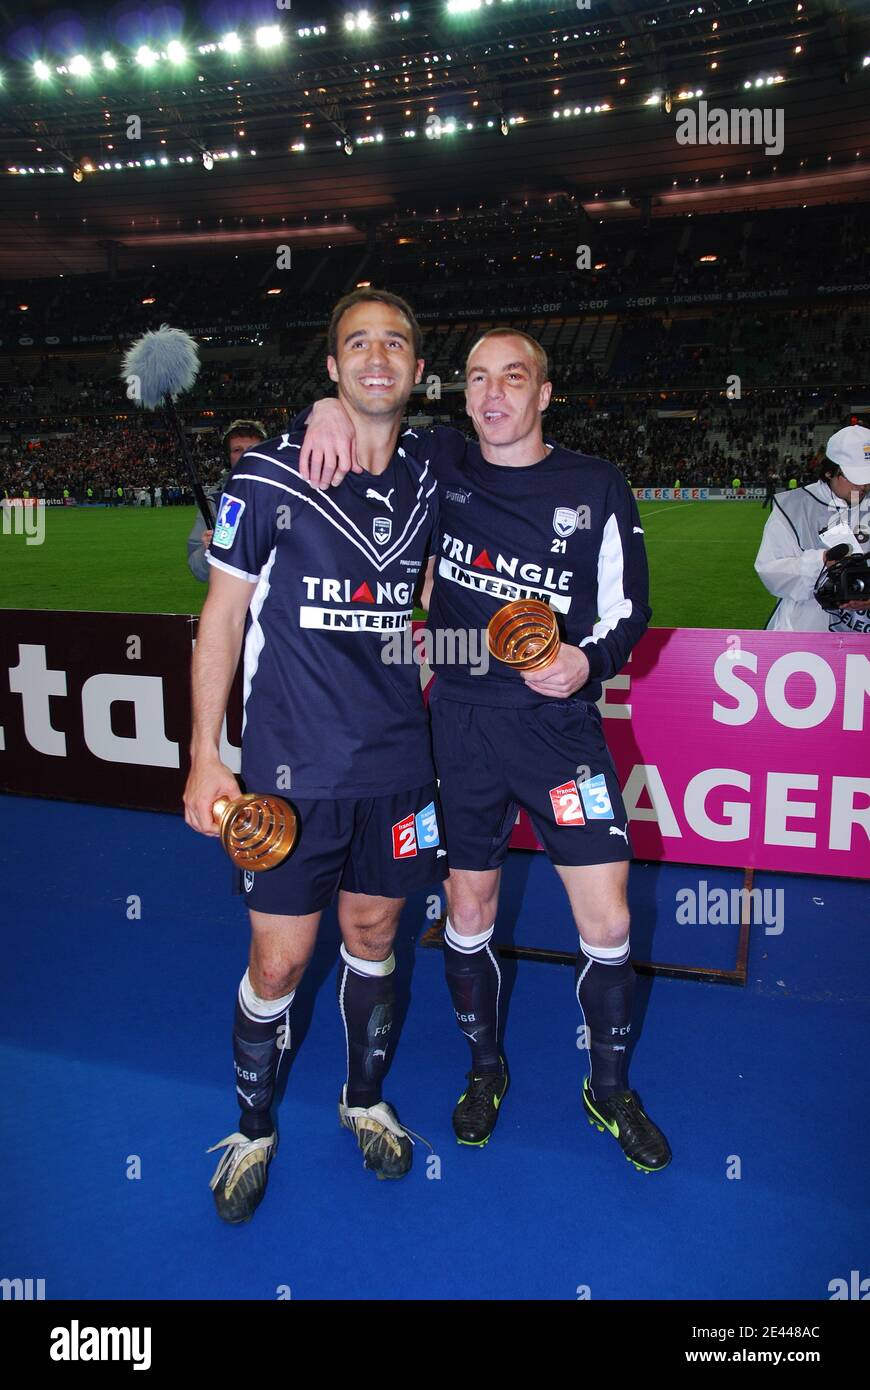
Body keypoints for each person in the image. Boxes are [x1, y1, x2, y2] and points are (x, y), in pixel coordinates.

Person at [297, 325, 672, 1173]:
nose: (493, 394)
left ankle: (609, 1088)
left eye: (514, 378)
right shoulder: (442, 463)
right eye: (476, 379)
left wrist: (587, 660)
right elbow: (365, 408)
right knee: (466, 914)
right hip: (458, 724)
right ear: (461, 393)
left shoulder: (596, 484)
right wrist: (323, 403)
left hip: (558, 729)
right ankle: (485, 1069)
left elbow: (630, 609)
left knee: (609, 917)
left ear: (544, 394)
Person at [183, 290, 445, 1222]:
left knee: (376, 942)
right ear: (331, 367)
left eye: (396, 344)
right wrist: (207, 756)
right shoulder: (266, 477)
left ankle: (363, 1098)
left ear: (419, 369)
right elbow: (220, 618)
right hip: (290, 777)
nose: (378, 358)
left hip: (398, 770)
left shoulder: (433, 471)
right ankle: (252, 1126)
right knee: (282, 962)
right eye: (356, 346)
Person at [754, 424, 870, 632]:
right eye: (856, 478)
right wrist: (821, 561)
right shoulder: (793, 507)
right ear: (830, 472)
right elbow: (770, 570)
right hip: (806, 631)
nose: (864, 486)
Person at [186, 420, 267, 581]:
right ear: (227, 458)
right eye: (238, 450)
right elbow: (199, 571)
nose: (245, 455)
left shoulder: (287, 496)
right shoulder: (216, 504)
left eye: (252, 449)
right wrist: (208, 551)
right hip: (237, 602)